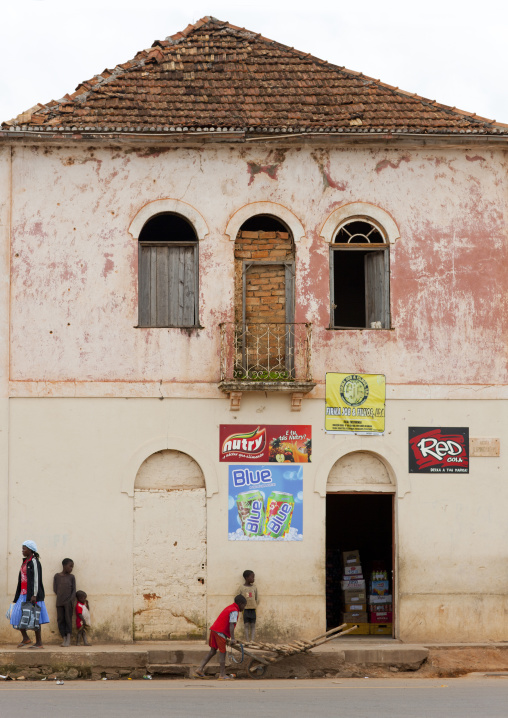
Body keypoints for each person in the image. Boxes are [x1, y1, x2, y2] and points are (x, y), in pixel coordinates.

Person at [194, 595, 247, 680]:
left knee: (212, 651)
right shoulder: (234, 610)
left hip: (214, 630)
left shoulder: (230, 607)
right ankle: (222, 675)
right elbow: (231, 625)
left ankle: (199, 669)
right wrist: (233, 639)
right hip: (220, 632)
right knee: (223, 653)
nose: (244, 608)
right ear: (240, 604)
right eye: (244, 605)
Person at [10, 540, 50, 648]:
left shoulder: (34, 562)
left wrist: (34, 595)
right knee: (16, 615)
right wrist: (17, 595)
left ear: (30, 550)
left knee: (35, 618)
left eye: (24, 548)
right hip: (23, 594)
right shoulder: (25, 562)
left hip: (32, 595)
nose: (22, 550)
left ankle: (39, 642)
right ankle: (26, 638)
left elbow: (36, 579)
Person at [53, 558, 76, 647]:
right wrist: (61, 596)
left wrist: (70, 600)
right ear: (64, 566)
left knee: (68, 619)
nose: (71, 568)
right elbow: (55, 589)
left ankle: (68, 639)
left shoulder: (72, 577)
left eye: (72, 567)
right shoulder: (57, 576)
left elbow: (74, 590)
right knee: (60, 620)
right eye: (70, 566)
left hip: (68, 602)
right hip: (59, 602)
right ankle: (64, 638)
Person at [236, 570, 259, 641]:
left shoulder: (254, 587)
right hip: (245, 609)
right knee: (246, 625)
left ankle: (252, 641)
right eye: (252, 577)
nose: (253, 579)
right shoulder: (241, 588)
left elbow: (257, 598)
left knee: (253, 625)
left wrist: (255, 605)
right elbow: (238, 597)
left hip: (253, 609)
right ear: (246, 578)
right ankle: (247, 641)